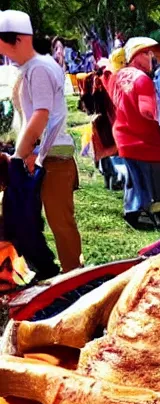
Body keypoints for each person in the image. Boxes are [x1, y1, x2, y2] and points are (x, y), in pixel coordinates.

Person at [0, 9, 82, 277]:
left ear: (18, 40)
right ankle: (53, 273)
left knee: (60, 223)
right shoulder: (32, 68)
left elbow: (41, 115)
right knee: (27, 221)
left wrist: (19, 155)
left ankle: (74, 279)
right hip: (37, 156)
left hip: (52, 158)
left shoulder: (40, 68)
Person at [108, 37, 160, 223]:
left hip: (123, 137)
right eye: (148, 53)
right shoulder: (142, 80)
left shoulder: (117, 76)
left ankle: (133, 211)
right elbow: (147, 111)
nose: (152, 57)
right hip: (146, 139)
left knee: (135, 180)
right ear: (137, 55)